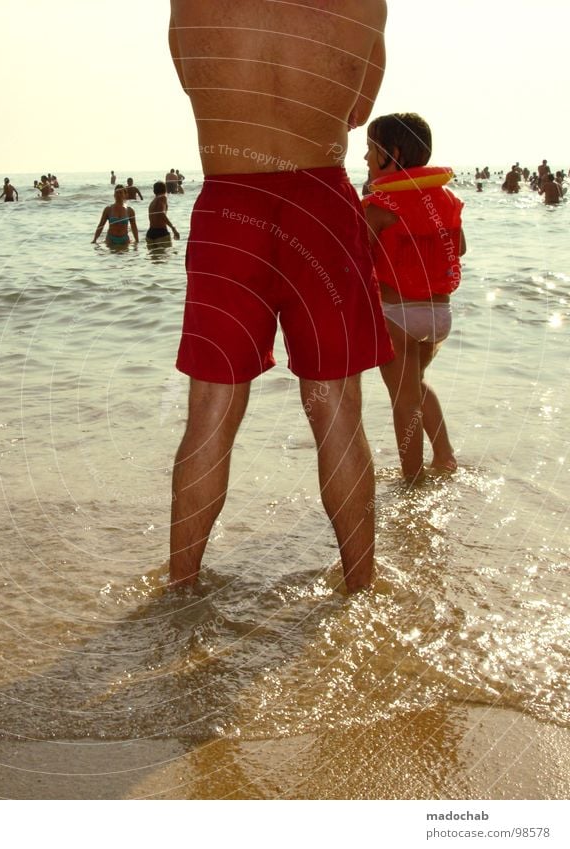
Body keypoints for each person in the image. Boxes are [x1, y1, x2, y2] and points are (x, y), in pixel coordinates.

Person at [167, 0, 391, 594]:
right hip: (320, 202)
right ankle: (360, 589)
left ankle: (180, 588)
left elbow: (194, 82)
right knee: (338, 410)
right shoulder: (366, 4)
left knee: (210, 414)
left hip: (229, 205)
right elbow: (358, 112)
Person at [363, 113, 466, 481]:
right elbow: (461, 248)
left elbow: (356, 257)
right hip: (440, 317)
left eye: (370, 150)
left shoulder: (379, 207)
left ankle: (413, 480)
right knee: (416, 386)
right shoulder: (448, 199)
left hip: (397, 316)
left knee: (403, 399)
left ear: (391, 153)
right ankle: (445, 456)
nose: (364, 159)